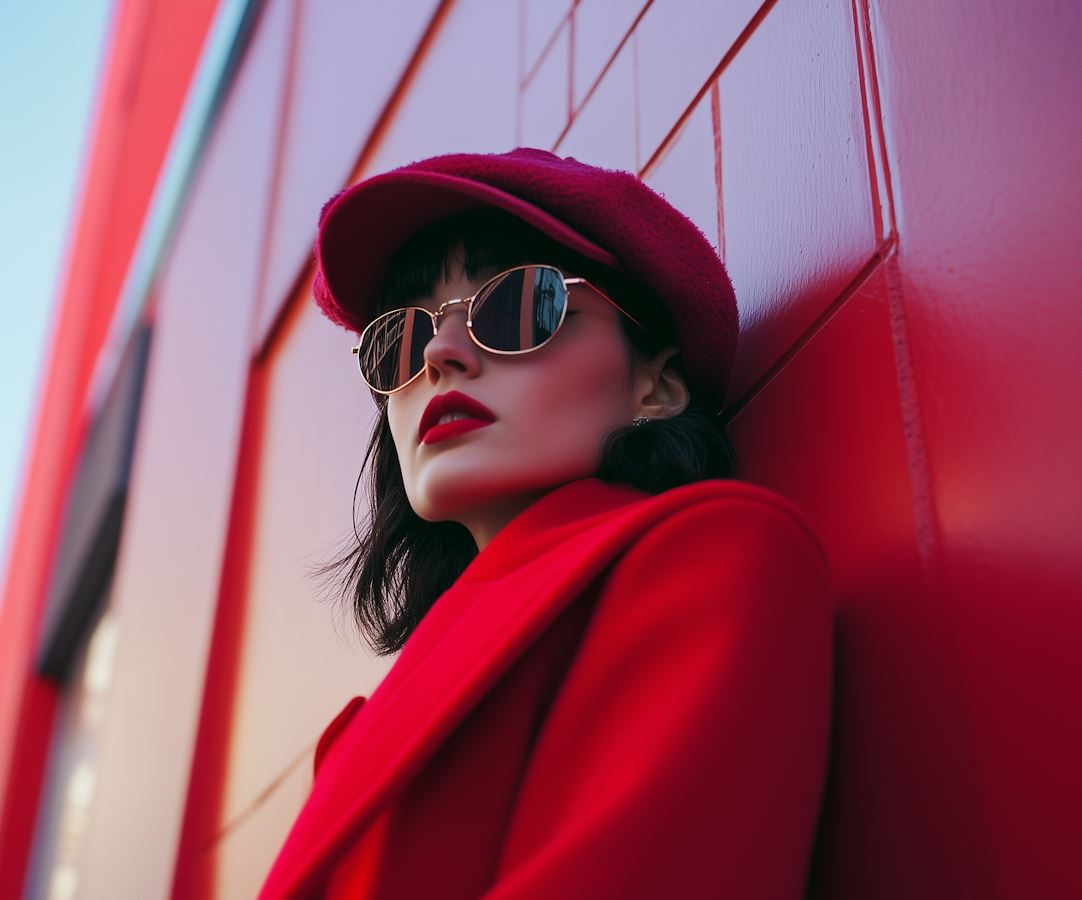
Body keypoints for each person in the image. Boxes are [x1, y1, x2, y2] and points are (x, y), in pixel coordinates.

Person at [258, 147, 832, 899]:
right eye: (397, 338)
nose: (438, 353)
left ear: (655, 386)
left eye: (518, 305)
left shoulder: (719, 558)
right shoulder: (366, 726)